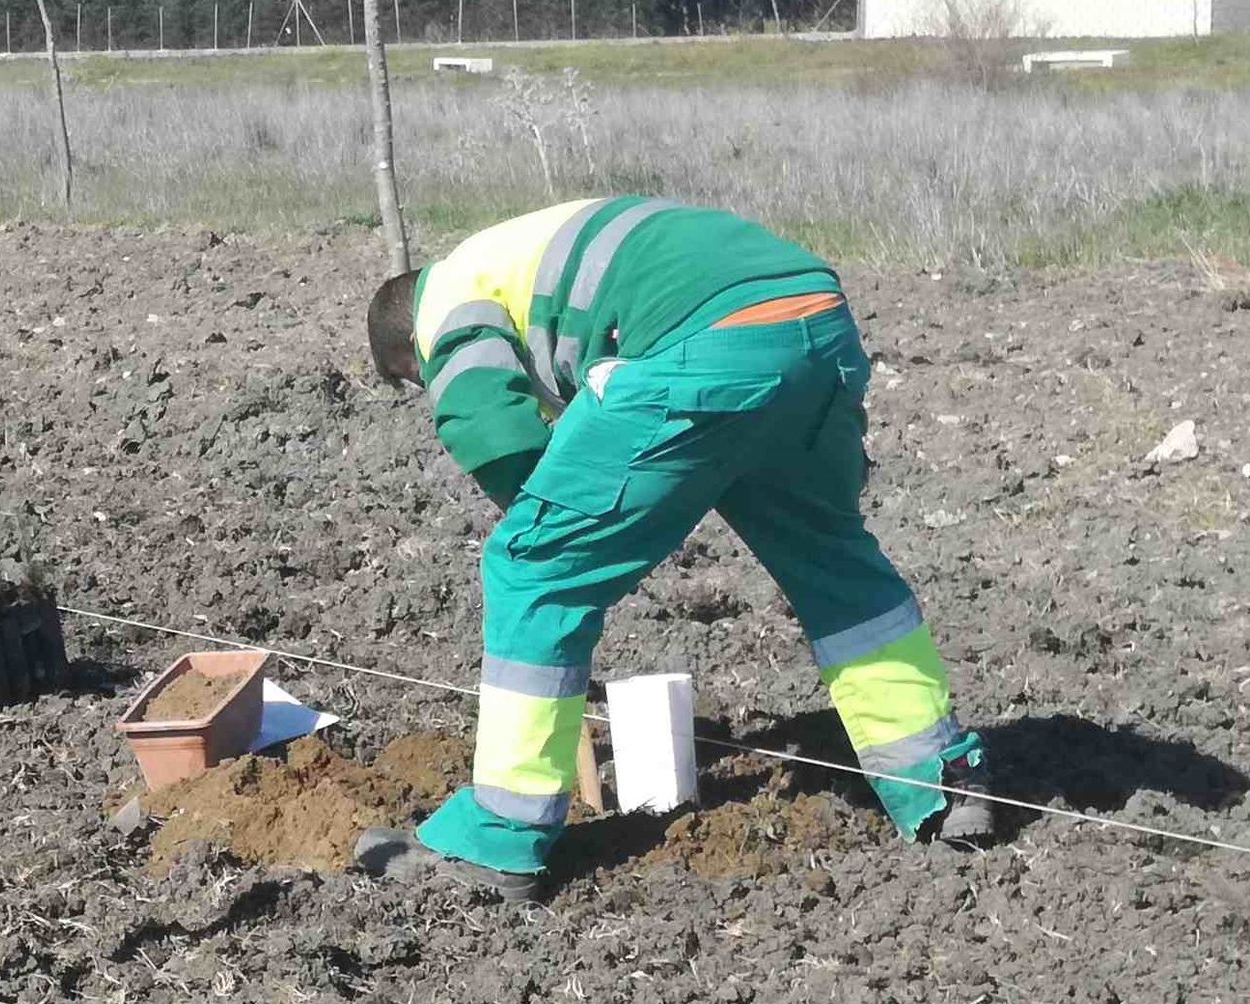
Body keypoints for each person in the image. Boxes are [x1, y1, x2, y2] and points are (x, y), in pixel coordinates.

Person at [354, 197, 993, 901]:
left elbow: (494, 431)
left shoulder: (444, 297)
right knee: (833, 558)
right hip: (813, 318)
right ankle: (938, 780)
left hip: (701, 342)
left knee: (531, 565)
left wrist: (565, 549)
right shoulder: (513, 251)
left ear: (407, 350)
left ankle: (498, 842)